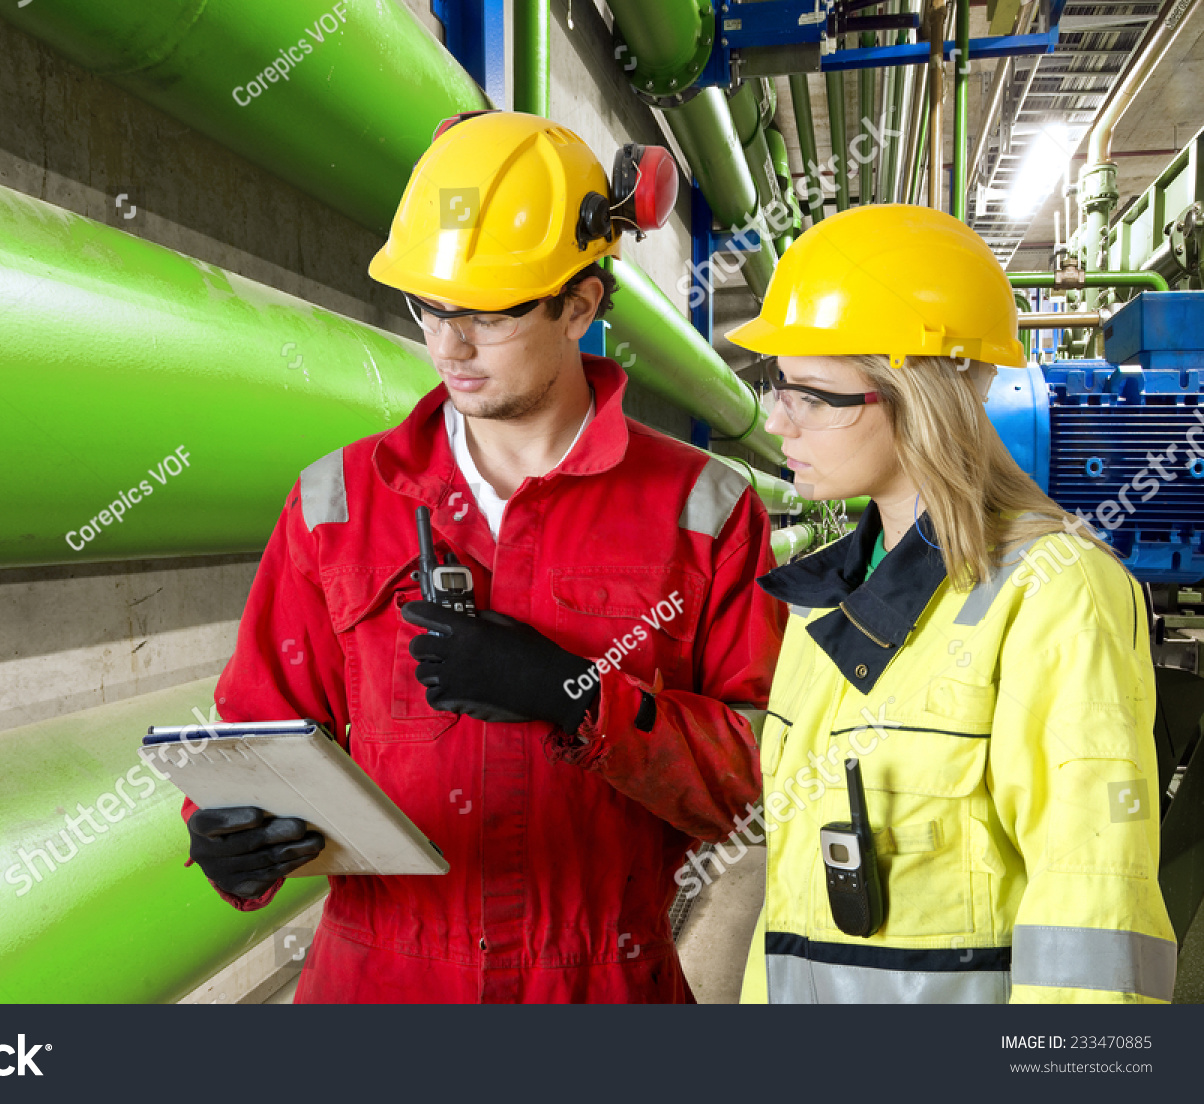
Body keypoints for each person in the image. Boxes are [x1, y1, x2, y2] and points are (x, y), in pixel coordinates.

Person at [181, 110, 786, 1002]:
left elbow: (756, 777)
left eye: (488, 317)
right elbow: (254, 734)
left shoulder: (701, 510)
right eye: (429, 308)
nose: (448, 347)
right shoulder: (339, 503)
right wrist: (231, 841)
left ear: (579, 304)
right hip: (377, 989)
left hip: (598, 985)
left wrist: (576, 698)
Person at [726, 203, 1177, 1003]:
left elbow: (1091, 922)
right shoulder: (824, 603)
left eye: (810, 394)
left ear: (919, 397)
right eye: (775, 385)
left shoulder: (1056, 596)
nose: (775, 418)